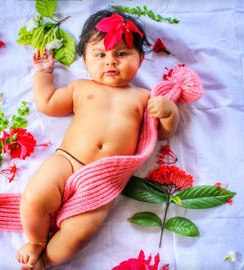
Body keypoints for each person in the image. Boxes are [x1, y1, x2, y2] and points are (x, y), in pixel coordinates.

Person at [16, 9, 179, 269]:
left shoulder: (143, 98)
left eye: (121, 54)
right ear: (85, 60)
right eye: (100, 54)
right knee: (34, 198)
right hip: (67, 161)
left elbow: (164, 133)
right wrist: (43, 74)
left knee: (81, 232)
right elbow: (48, 104)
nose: (110, 61)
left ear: (140, 59)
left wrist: (169, 112)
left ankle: (45, 261)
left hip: (104, 180)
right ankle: (35, 241)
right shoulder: (81, 88)